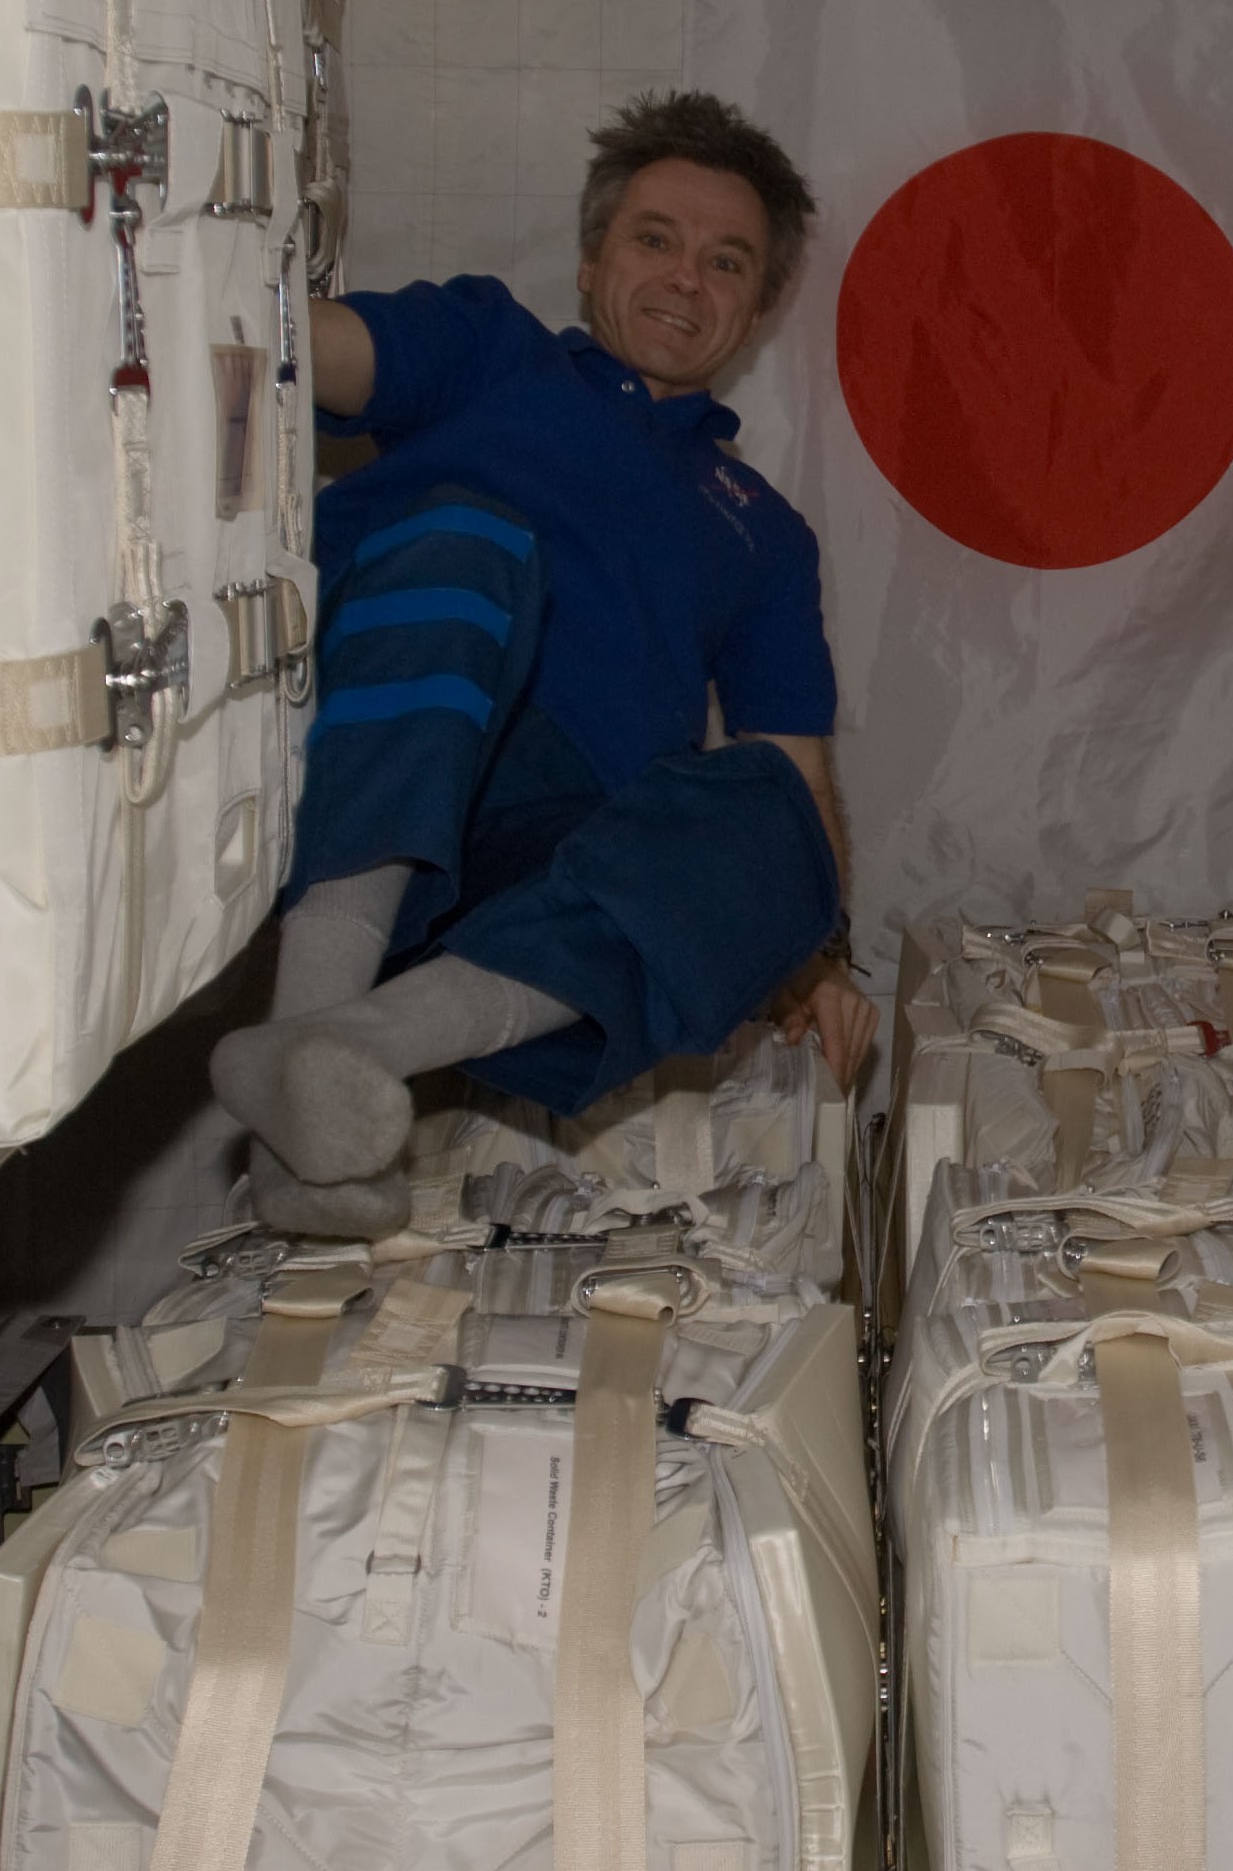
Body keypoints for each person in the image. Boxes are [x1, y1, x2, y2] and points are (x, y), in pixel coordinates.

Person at [210, 91, 877, 1234]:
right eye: (654, 240)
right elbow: (282, 341)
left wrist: (815, 959)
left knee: (774, 822)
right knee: (470, 542)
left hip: (550, 859)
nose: (683, 279)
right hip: (381, 739)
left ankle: (339, 1058)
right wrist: (168, 267)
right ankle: (316, 1005)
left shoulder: (761, 527)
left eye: (725, 262)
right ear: (589, 258)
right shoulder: (488, 351)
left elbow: (796, 771)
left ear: (758, 309)